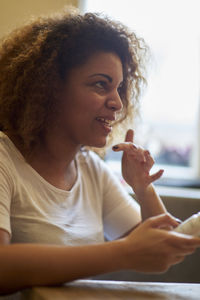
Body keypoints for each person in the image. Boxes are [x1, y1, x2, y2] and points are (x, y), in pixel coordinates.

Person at [0, 7, 200, 295]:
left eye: (119, 88)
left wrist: (143, 190)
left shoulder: (90, 169)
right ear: (48, 88)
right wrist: (123, 252)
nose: (118, 103)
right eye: (100, 85)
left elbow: (163, 250)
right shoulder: (4, 158)